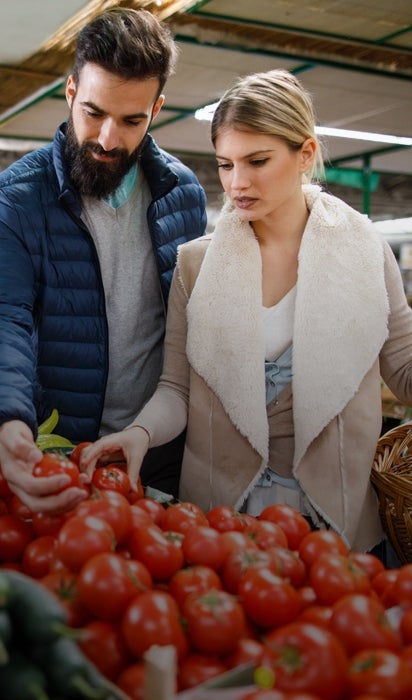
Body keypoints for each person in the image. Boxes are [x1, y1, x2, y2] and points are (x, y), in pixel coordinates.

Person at [82, 68, 412, 557]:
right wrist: (139, 433)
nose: (238, 183)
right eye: (225, 164)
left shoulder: (366, 252)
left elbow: (403, 368)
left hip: (342, 533)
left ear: (305, 154)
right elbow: (176, 389)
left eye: (257, 161)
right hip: (221, 525)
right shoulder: (196, 265)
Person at [0, 8, 207, 514]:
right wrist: (9, 422)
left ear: (156, 109)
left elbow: (186, 330)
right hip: (58, 448)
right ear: (71, 92)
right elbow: (5, 318)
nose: (109, 139)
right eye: (93, 112)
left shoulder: (183, 196)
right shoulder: (17, 200)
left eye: (132, 120)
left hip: (155, 447)